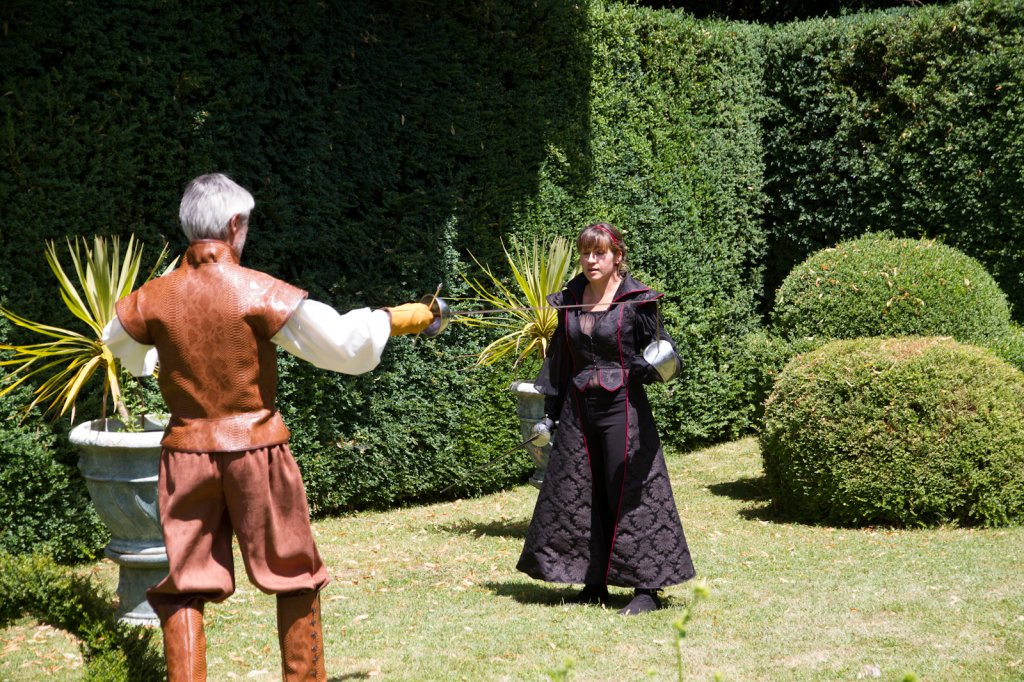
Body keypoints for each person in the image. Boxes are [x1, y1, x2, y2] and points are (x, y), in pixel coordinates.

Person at [102, 172, 435, 681]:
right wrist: (392, 319)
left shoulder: (153, 297)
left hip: (185, 456)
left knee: (186, 585)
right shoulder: (258, 291)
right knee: (295, 573)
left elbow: (118, 339)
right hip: (256, 451)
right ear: (234, 225)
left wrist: (154, 357)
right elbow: (343, 345)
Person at [516, 222, 695, 615]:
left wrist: (648, 365)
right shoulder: (569, 300)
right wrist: (550, 413)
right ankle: (593, 582)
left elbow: (668, 354)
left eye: (599, 253)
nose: (591, 260)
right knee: (582, 491)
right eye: (586, 253)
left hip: (623, 410)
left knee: (630, 491)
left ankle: (646, 589)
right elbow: (561, 360)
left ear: (618, 257)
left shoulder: (637, 301)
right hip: (578, 409)